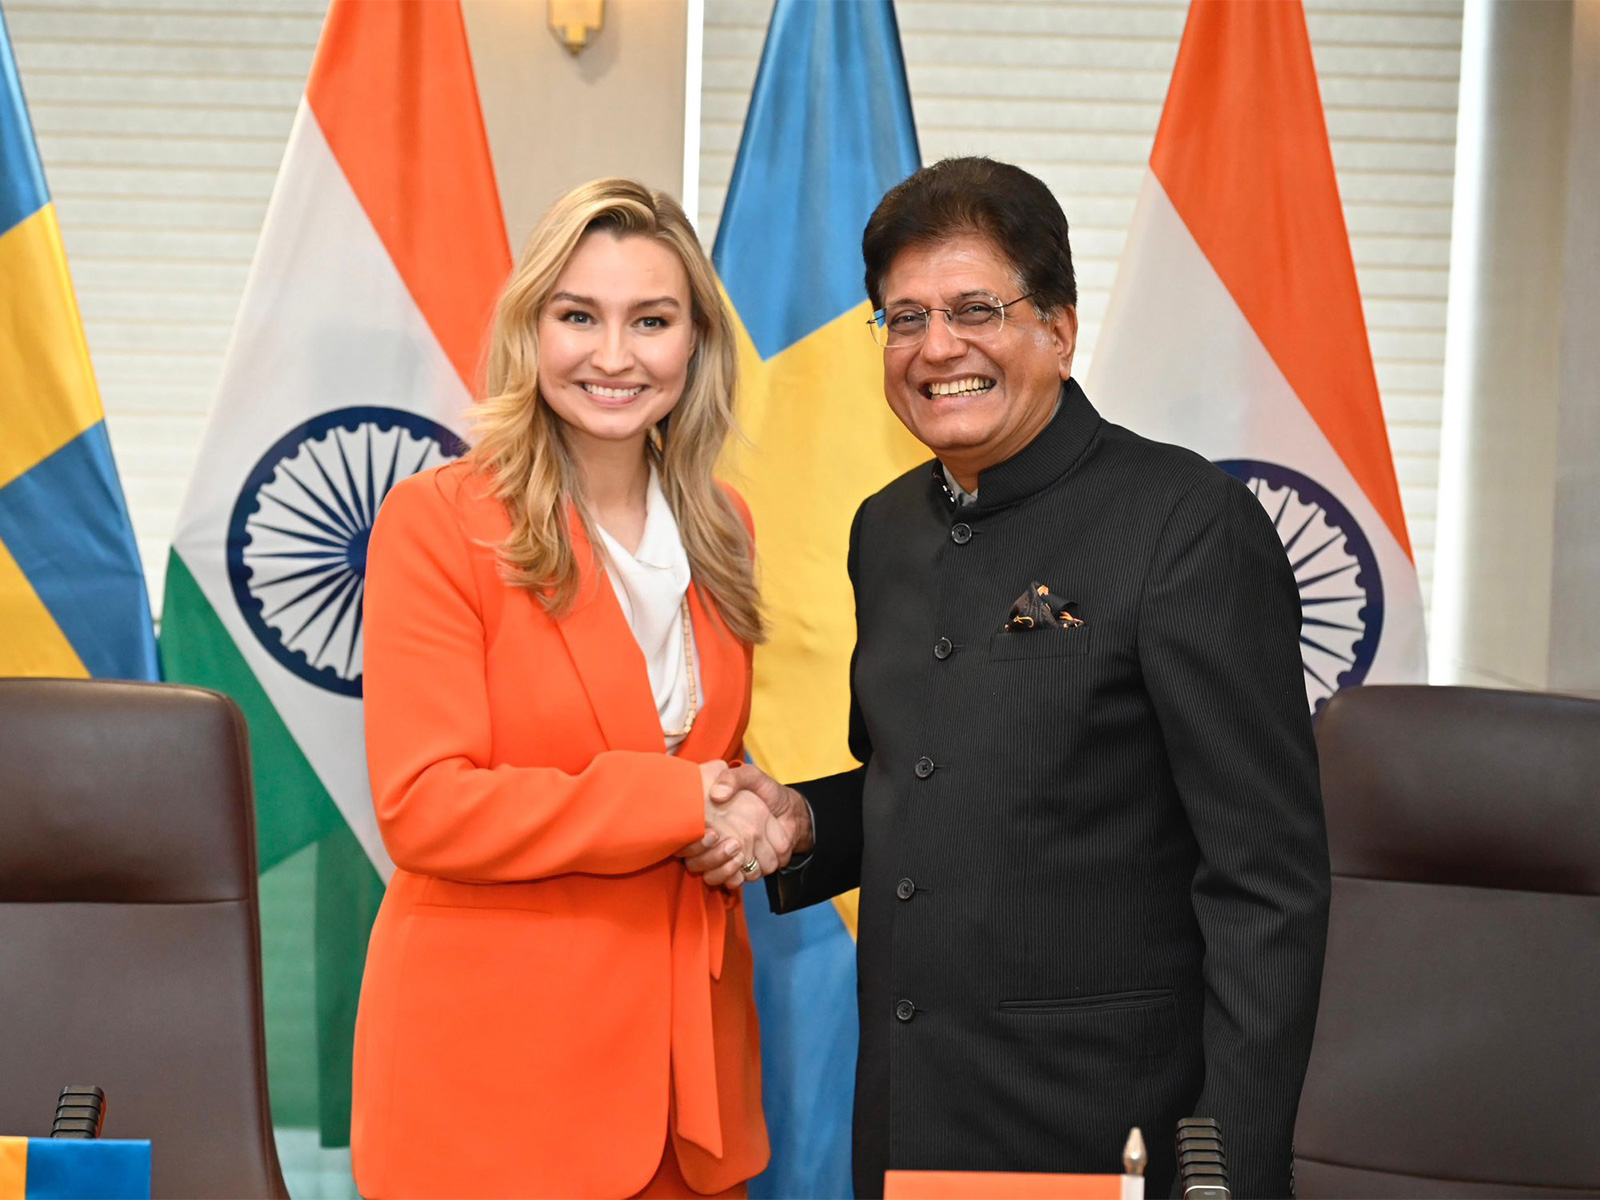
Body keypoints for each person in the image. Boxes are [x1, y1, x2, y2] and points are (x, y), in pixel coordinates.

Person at [691, 157, 1331, 1198]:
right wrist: (803, 822)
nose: (936, 347)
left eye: (975, 308)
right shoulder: (884, 529)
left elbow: (1267, 887)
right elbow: (930, 781)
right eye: (902, 318)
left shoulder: (1183, 524)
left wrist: (1220, 1176)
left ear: (1059, 329)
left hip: (1107, 1138)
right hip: (912, 1118)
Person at [352, 179, 792, 1199]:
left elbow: (694, 752)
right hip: (500, 1090)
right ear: (530, 329)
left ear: (696, 344)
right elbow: (425, 807)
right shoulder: (439, 522)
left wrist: (755, 813)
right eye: (577, 316)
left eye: (652, 320)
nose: (613, 355)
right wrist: (686, 801)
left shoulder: (724, 527)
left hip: (691, 1093)